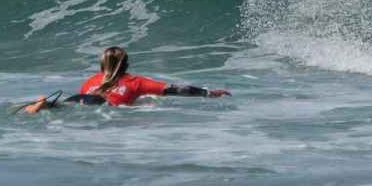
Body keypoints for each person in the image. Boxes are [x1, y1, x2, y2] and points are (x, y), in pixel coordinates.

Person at [23, 46, 230, 113]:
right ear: (126, 66)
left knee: (66, 106)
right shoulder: (135, 82)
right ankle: (47, 105)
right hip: (102, 104)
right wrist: (208, 93)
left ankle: (45, 104)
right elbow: (176, 89)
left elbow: (85, 97)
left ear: (102, 66)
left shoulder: (91, 80)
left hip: (81, 97)